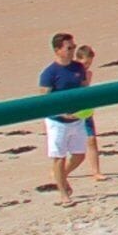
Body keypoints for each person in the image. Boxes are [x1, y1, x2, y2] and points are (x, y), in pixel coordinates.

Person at [39, 33, 95, 203]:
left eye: (73, 47)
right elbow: (43, 101)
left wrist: (84, 110)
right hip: (57, 122)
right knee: (59, 157)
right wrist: (61, 113)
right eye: (69, 48)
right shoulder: (49, 73)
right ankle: (63, 194)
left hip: (77, 119)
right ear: (58, 50)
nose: (72, 51)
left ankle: (61, 177)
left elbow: (84, 90)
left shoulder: (78, 68)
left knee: (79, 155)